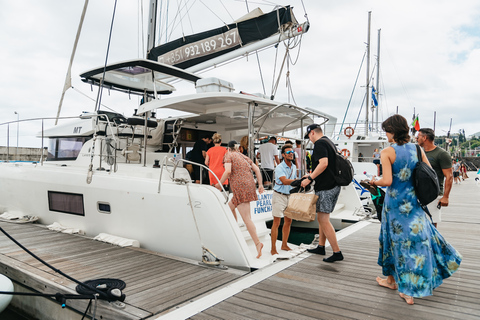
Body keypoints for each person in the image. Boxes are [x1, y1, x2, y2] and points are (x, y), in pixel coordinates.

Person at [369, 114, 462, 305]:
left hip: (394, 206)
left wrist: (373, 181)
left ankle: (403, 288)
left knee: (392, 242)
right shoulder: (417, 149)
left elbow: (387, 181)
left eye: (386, 130)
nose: (385, 134)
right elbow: (429, 173)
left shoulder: (387, 152)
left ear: (393, 131)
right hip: (413, 203)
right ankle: (395, 282)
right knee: (416, 242)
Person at [301, 124, 344, 263]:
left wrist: (309, 178)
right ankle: (321, 246)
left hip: (326, 187)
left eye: (308, 136)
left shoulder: (319, 144)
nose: (309, 139)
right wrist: (312, 174)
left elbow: (323, 163)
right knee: (321, 218)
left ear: (312, 132)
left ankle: (337, 252)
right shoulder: (329, 142)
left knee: (324, 220)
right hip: (333, 185)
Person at [215, 141, 265, 258]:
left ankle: (257, 243)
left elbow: (227, 171)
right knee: (229, 208)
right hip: (249, 185)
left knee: (247, 219)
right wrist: (261, 185)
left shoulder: (229, 155)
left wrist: (219, 184)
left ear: (228, 148)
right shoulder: (243, 156)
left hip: (240, 187)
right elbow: (257, 170)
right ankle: (235, 228)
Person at [417, 128, 453, 228]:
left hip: (433, 194)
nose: (416, 138)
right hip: (418, 194)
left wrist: (446, 197)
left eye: (418, 136)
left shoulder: (441, 154)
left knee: (431, 225)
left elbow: (449, 176)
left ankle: (432, 244)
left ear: (424, 138)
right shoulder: (418, 153)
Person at [270, 144, 297, 255]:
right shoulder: (279, 167)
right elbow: (285, 181)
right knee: (276, 222)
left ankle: (284, 245)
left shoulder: (294, 167)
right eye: (288, 153)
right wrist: (299, 181)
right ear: (283, 155)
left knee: (288, 221)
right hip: (279, 196)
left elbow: (292, 180)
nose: (291, 154)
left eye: (292, 152)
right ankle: (273, 248)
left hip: (289, 196)